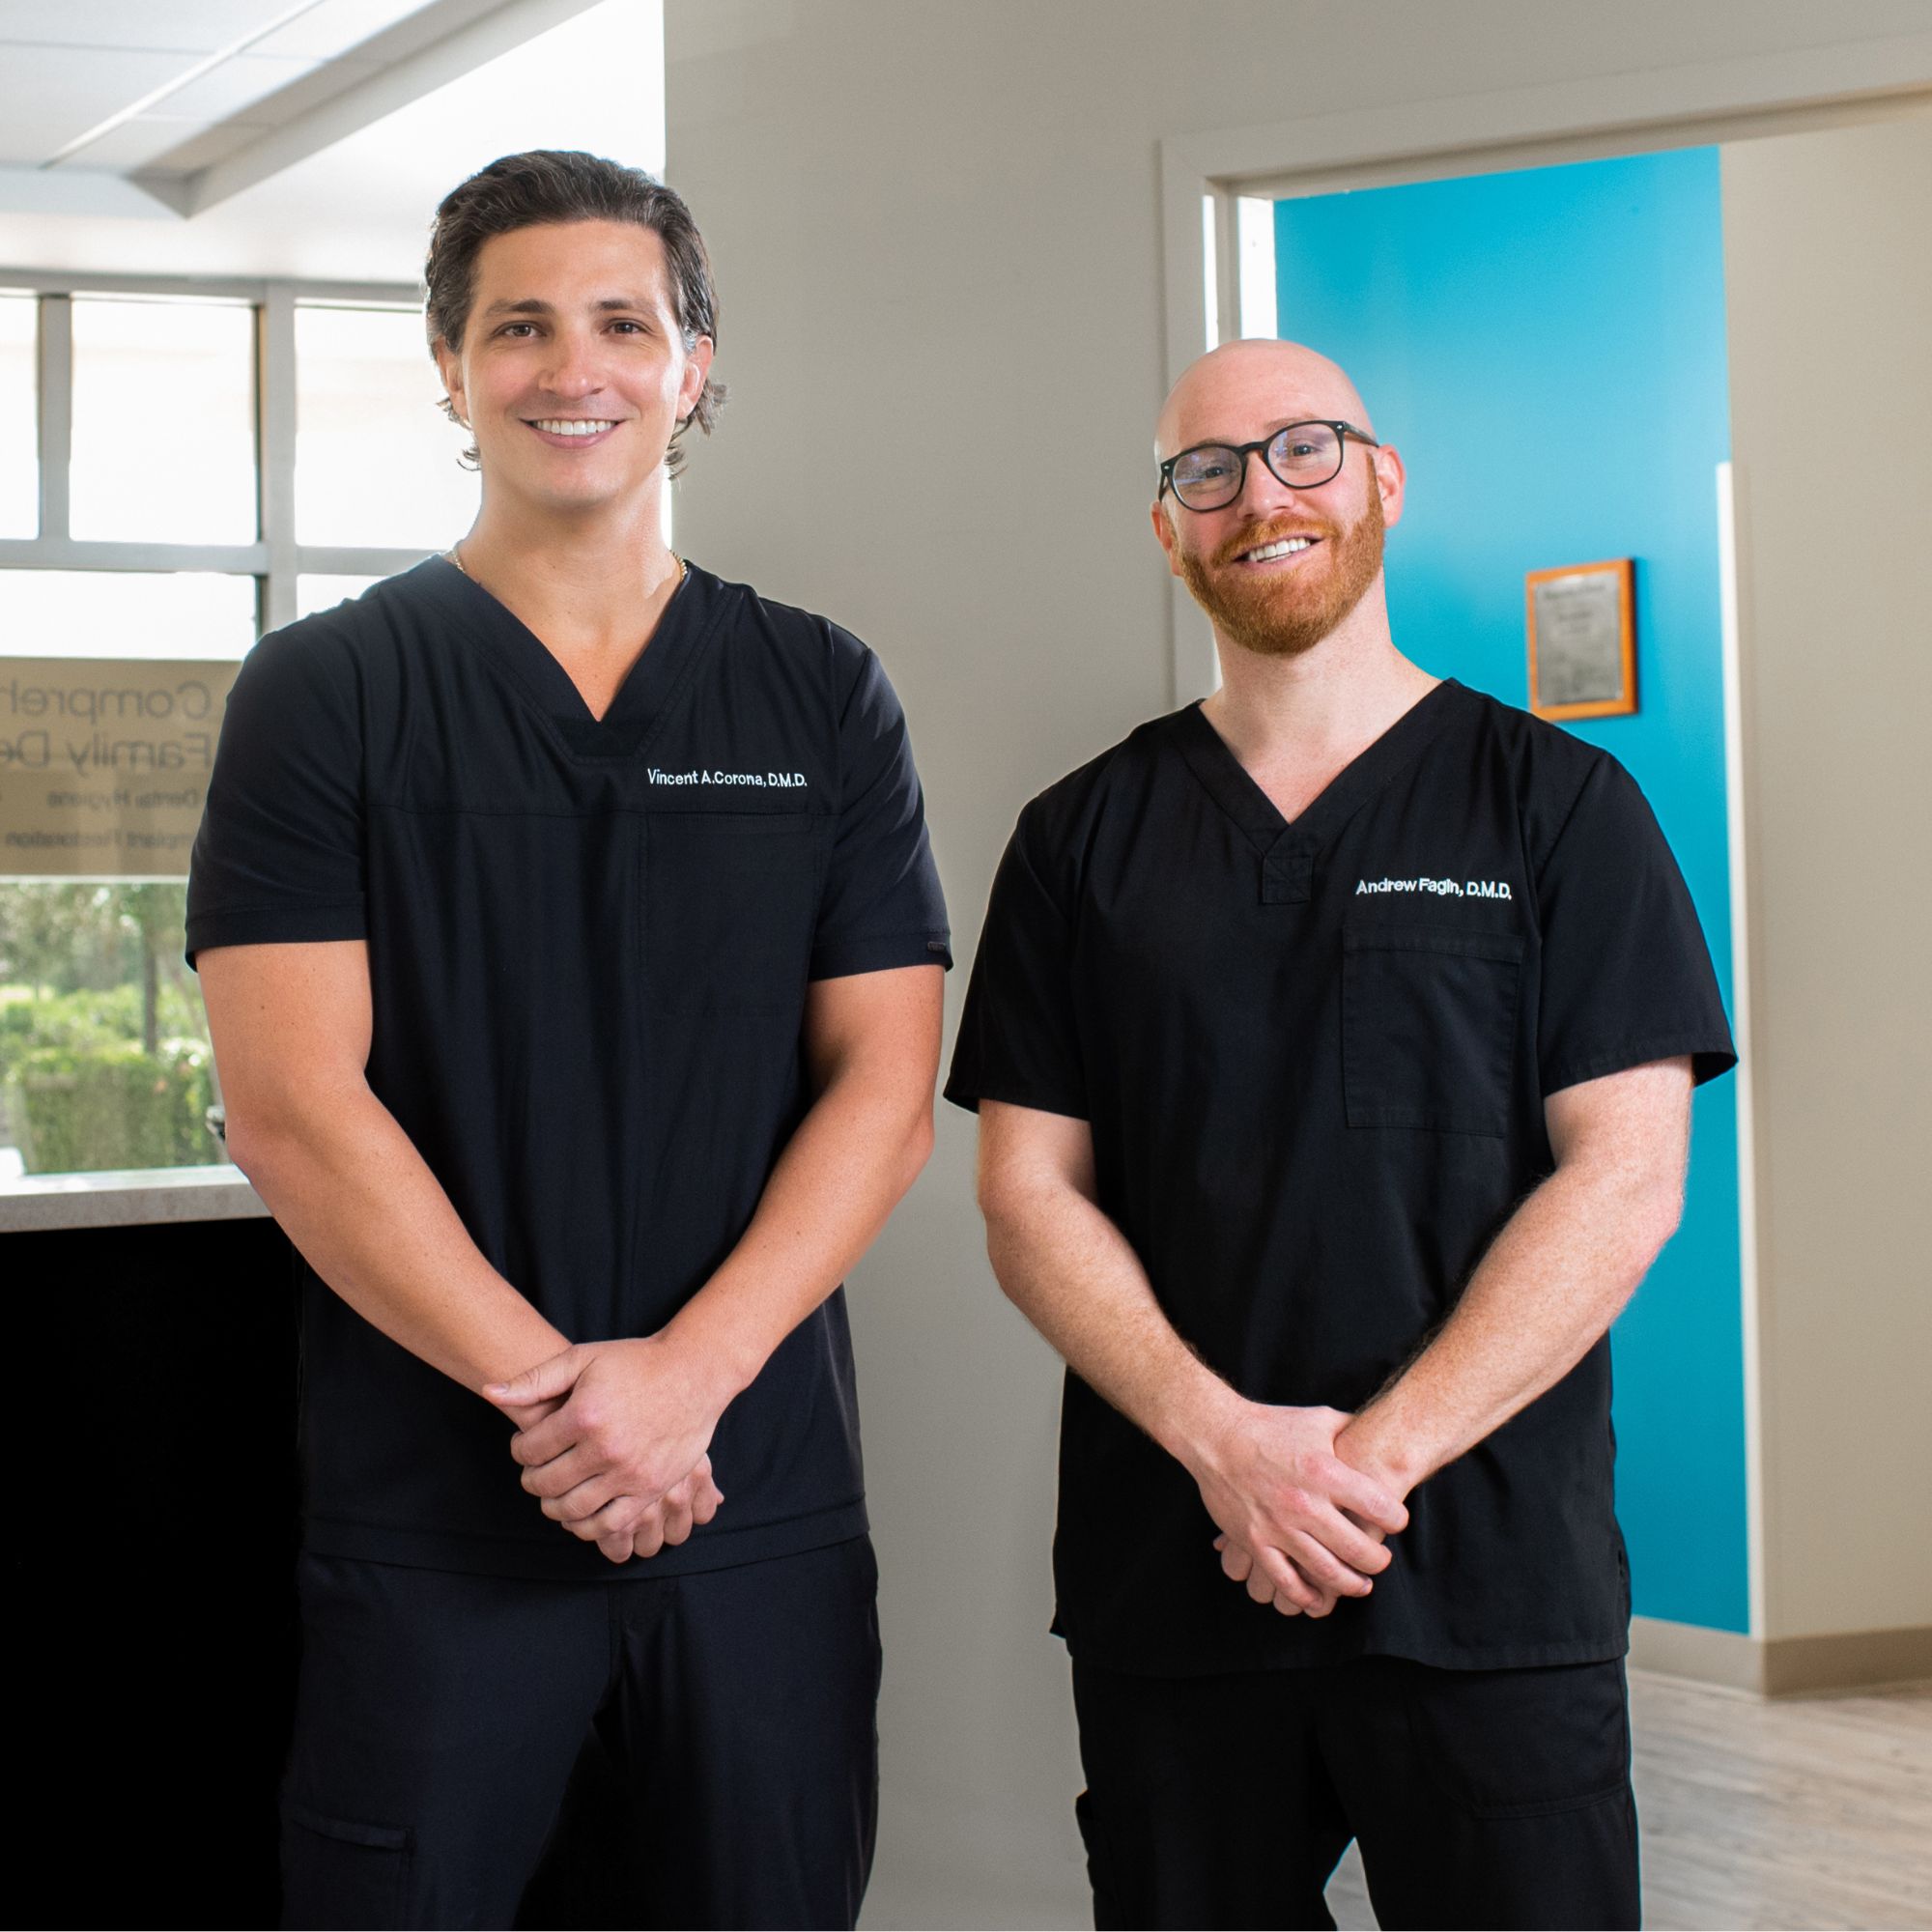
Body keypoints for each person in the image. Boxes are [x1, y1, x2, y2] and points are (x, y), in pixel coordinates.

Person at [188, 150, 949, 1930]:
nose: (573, 368)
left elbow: (885, 1090)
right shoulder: (327, 692)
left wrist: (683, 1388)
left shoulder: (821, 690)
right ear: (450, 368)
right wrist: (570, 1408)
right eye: (519, 327)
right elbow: (292, 1106)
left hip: (750, 1501)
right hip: (441, 1517)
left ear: (694, 365)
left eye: (622, 322)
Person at [944, 337, 1735, 1931]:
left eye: (1304, 449)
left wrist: (1359, 1469)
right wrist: (1230, 1448)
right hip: (1180, 1573)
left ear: (1382, 481)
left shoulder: (1559, 807)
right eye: (1208, 471)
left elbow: (1629, 1175)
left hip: (1487, 1579)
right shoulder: (1081, 838)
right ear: (1168, 527)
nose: (1260, 496)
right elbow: (1027, 1192)